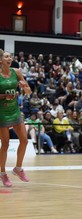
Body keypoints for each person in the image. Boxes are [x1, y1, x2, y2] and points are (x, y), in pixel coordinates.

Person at [0, 49, 32, 187]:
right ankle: (2, 173)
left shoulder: (17, 72)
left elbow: (28, 91)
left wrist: (25, 87)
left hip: (15, 111)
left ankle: (18, 169)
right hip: (2, 112)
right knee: (5, 144)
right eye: (6, 56)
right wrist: (3, 96)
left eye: (10, 56)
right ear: (1, 60)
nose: (10, 58)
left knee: (24, 140)